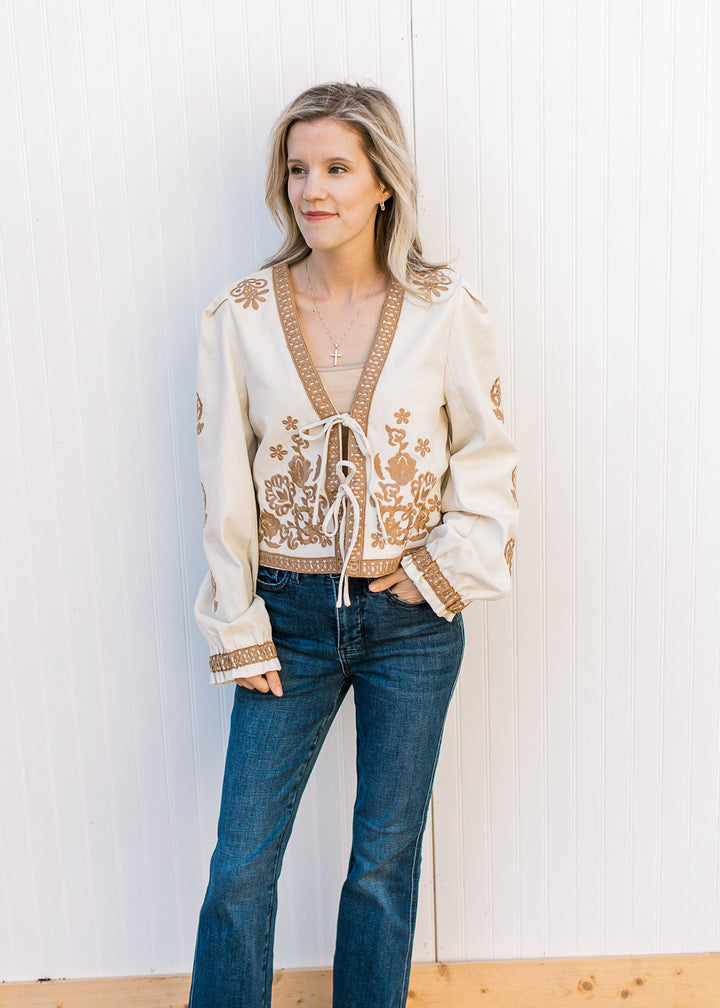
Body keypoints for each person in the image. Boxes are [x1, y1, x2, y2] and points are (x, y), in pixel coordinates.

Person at [189, 82, 518, 1008]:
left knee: (382, 862)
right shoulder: (241, 315)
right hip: (285, 621)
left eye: (337, 167)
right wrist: (238, 623)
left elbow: (488, 460)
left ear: (384, 184)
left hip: (409, 622)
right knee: (240, 866)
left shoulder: (444, 309)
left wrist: (431, 572)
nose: (312, 189)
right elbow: (223, 481)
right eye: (298, 169)